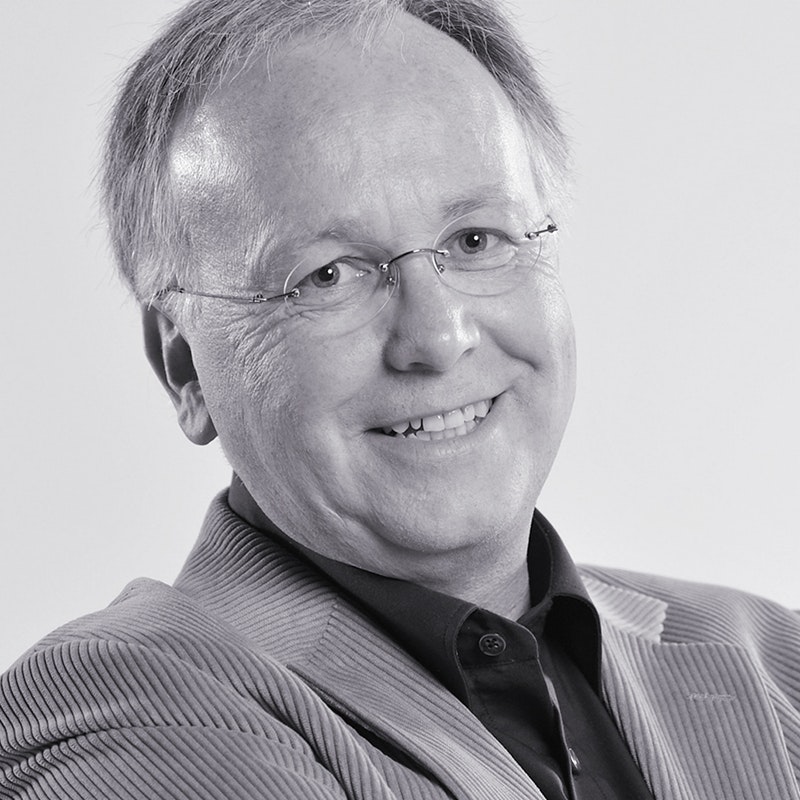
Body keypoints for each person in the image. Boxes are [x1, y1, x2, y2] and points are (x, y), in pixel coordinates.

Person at [1, 1, 798, 798]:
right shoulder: (122, 708)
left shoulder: (773, 659)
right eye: (328, 275)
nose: (439, 336)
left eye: (476, 240)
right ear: (184, 364)